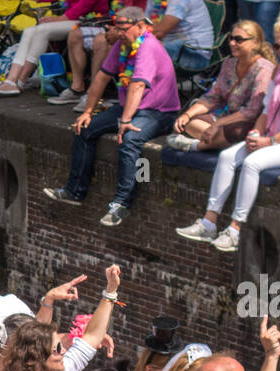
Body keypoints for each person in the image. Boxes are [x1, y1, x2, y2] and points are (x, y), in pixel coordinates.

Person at [174, 10, 280, 252]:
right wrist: (257, 134)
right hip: (277, 137)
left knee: (252, 163)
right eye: (277, 45)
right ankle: (209, 222)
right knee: (227, 157)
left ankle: (235, 229)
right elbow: (266, 112)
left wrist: (270, 140)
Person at [43, 7, 181, 228]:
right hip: (130, 107)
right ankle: (74, 191)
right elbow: (101, 78)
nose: (118, 33)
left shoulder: (148, 47)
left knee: (130, 139)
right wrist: (88, 112)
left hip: (159, 112)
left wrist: (126, 122)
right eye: (117, 28)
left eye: (123, 29)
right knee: (84, 128)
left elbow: (137, 85)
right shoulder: (122, 45)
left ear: (140, 26)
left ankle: (121, 203)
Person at [165, 20, 277, 152]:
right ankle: (217, 142)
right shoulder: (229, 64)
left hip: (250, 124)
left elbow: (251, 112)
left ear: (255, 43)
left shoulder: (264, 69)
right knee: (189, 123)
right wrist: (187, 115)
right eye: (231, 38)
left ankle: (197, 146)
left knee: (236, 132)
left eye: (238, 40)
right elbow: (212, 97)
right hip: (225, 119)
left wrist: (217, 125)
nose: (231, 43)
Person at [0, 1, 110, 97]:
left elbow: (84, 5)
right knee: (29, 31)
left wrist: (59, 19)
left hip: (90, 20)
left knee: (42, 31)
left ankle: (21, 80)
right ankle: (11, 80)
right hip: (72, 18)